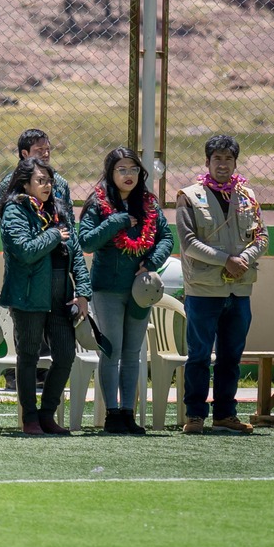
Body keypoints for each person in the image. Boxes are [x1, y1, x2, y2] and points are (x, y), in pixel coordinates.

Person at [76, 147, 172, 434]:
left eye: (133, 169)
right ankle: (112, 414)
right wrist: (116, 221)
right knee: (112, 350)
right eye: (121, 170)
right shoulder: (98, 203)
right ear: (110, 173)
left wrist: (151, 262)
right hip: (107, 289)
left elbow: (166, 238)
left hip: (140, 291)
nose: (128, 175)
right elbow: (86, 242)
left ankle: (128, 413)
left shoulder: (149, 203)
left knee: (132, 352)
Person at [175, 134, 267, 434]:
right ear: (207, 162)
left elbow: (262, 238)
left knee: (231, 357)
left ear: (235, 163)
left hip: (239, 290)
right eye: (217, 159)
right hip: (203, 290)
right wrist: (226, 260)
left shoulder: (248, 196)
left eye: (229, 159)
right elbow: (188, 243)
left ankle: (225, 414)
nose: (223, 164)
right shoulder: (189, 196)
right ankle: (195, 415)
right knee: (199, 356)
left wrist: (244, 259)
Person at [0, 156, 87, 436]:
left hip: (61, 297)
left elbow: (76, 252)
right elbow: (25, 250)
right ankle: (30, 417)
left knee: (65, 355)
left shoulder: (58, 209)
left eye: (49, 181)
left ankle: (47, 414)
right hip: (28, 296)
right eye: (40, 181)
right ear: (25, 184)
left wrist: (83, 291)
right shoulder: (14, 210)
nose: (47, 186)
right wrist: (53, 236)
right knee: (28, 356)